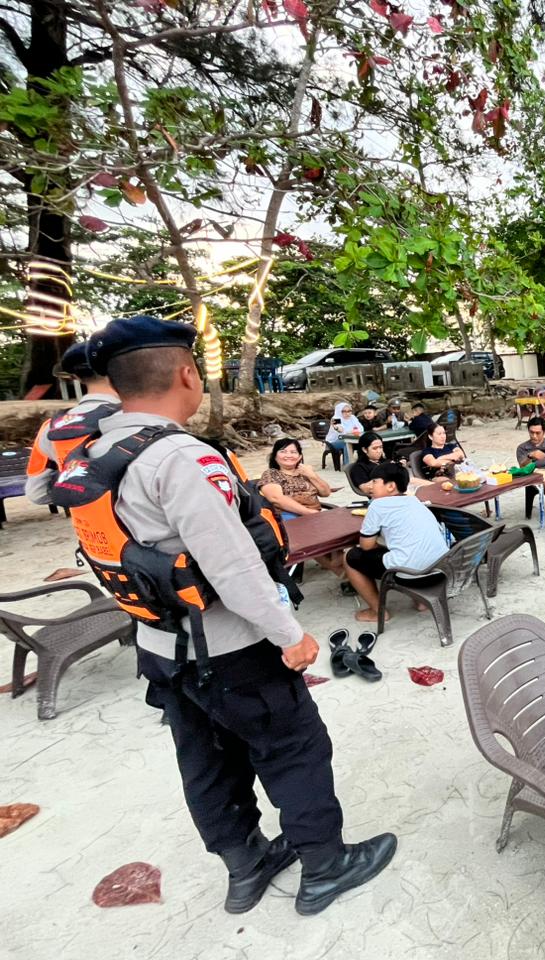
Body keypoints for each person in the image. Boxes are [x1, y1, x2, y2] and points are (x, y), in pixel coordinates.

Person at [64, 316, 396, 915]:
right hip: (230, 648)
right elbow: (233, 566)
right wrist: (289, 634)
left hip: (160, 647)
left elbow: (49, 495)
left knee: (206, 760)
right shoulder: (178, 457)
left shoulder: (91, 453)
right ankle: (324, 866)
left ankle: (246, 867)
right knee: (293, 747)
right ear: (186, 374)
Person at [343, 461, 449, 623]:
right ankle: (421, 602)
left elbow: (366, 546)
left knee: (350, 556)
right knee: (407, 550)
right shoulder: (415, 501)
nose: (370, 486)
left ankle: (378, 612)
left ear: (391, 486)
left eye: (375, 481)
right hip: (440, 572)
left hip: (413, 576)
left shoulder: (378, 505)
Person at [25, 341, 120, 505]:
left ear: (75, 377)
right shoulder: (143, 418)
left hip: (86, 519)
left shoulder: (51, 428)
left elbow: (37, 493)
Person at [258, 438, 345, 579]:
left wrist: (312, 475)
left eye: (293, 452)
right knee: (312, 532)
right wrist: (308, 513)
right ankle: (340, 571)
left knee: (340, 526)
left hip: (315, 516)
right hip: (287, 517)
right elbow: (276, 499)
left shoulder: (305, 473)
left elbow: (325, 492)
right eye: (283, 451)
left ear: (299, 457)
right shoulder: (271, 474)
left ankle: (337, 562)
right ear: (275, 456)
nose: (288, 455)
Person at [348, 431, 426, 495]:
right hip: (386, 493)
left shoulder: (385, 461)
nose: (379, 451)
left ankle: (431, 487)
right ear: (364, 449)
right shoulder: (359, 468)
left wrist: (400, 468)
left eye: (381, 447)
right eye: (375, 448)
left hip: (400, 489)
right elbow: (365, 488)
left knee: (416, 482)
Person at [325, 402, 362, 466]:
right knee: (347, 442)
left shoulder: (353, 417)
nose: (347, 413)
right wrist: (337, 428)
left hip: (350, 438)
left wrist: (349, 431)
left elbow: (361, 428)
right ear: (339, 411)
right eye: (344, 411)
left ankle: (362, 463)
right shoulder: (336, 418)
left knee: (363, 441)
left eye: (349, 411)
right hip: (334, 441)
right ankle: (348, 465)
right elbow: (341, 430)